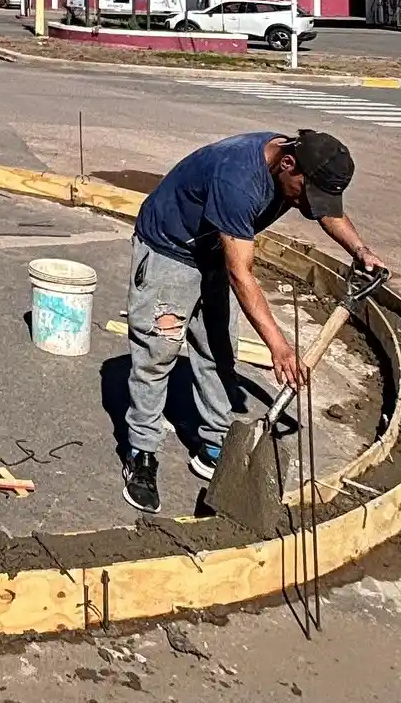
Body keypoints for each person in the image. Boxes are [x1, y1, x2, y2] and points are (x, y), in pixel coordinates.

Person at [122, 129, 385, 514]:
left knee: (217, 352)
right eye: (304, 194)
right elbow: (242, 275)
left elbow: (329, 212)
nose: (305, 205)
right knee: (156, 357)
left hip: (211, 251)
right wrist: (279, 347)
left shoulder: (296, 166)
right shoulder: (239, 179)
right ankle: (141, 453)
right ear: (288, 165)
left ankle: (214, 445)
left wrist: (361, 251)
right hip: (169, 253)